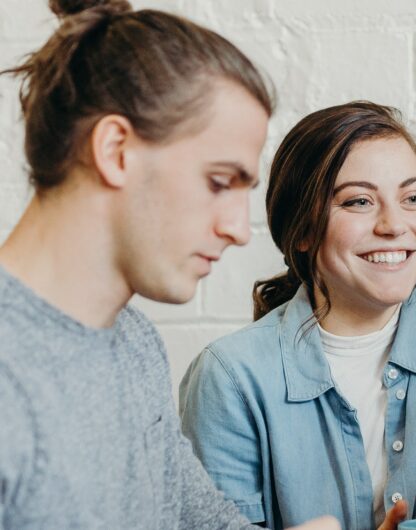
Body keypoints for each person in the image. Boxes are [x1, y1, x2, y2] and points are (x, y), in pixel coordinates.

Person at [0, 0, 343, 528]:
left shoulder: (134, 344)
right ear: (116, 150)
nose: (237, 228)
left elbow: (197, 518)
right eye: (218, 182)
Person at [179, 101, 416, 530]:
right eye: (359, 201)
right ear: (301, 231)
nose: (394, 224)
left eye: (413, 197)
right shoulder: (228, 378)